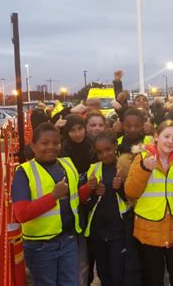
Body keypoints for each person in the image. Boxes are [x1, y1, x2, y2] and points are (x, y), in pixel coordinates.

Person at [11, 122, 94, 286]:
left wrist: (89, 188)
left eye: (56, 143)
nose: (51, 147)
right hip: (41, 246)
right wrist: (53, 196)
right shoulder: (24, 172)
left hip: (68, 239)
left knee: (71, 283)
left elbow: (74, 198)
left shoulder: (67, 165)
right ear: (33, 146)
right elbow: (21, 214)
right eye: (45, 143)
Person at [125, 120, 173, 286]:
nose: (170, 141)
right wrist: (144, 169)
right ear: (156, 136)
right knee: (153, 279)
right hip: (149, 231)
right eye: (166, 136)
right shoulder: (142, 158)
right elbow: (131, 191)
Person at [84, 130, 139, 286]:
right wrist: (94, 193)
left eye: (108, 150)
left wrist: (120, 189)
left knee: (118, 271)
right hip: (98, 230)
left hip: (118, 230)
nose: (104, 155)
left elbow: (134, 200)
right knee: (102, 271)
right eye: (100, 152)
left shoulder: (125, 166)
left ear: (115, 146)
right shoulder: (93, 169)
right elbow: (86, 203)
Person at [60, 114, 94, 286]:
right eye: (72, 130)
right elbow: (29, 150)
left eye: (80, 128)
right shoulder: (63, 148)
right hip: (74, 206)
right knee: (79, 251)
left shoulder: (92, 144)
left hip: (93, 200)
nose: (77, 133)